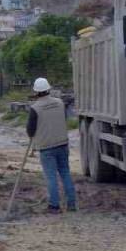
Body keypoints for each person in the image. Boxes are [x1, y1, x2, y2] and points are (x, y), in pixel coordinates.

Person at [26, 77, 77, 213]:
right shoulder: (60, 103)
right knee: (65, 173)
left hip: (46, 148)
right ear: (48, 89)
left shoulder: (35, 108)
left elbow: (30, 130)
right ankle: (71, 204)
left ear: (36, 92)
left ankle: (54, 206)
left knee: (51, 177)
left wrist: (34, 134)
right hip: (62, 144)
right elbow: (63, 119)